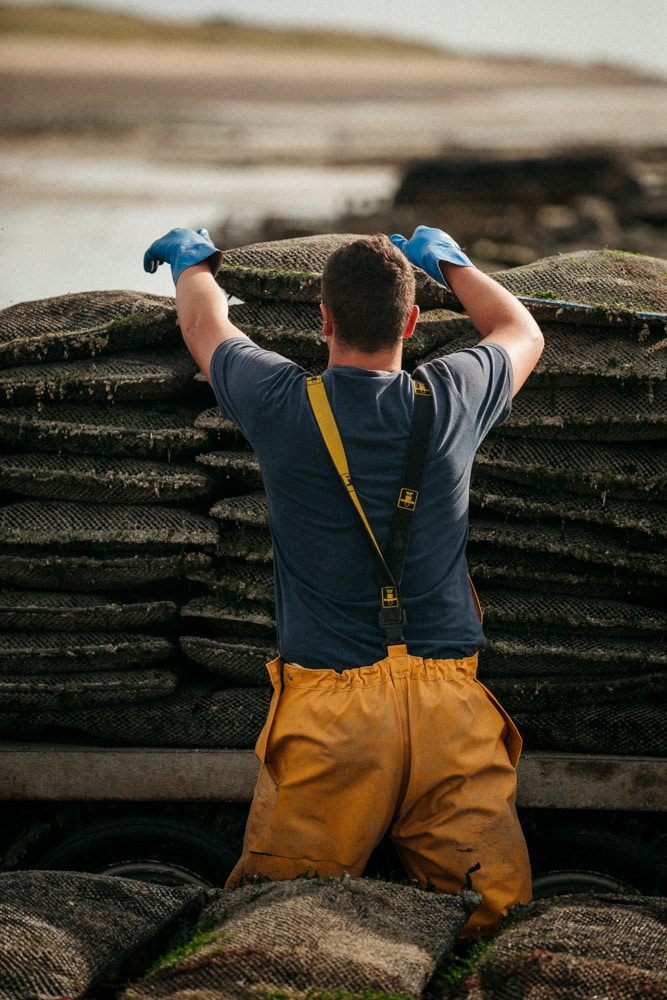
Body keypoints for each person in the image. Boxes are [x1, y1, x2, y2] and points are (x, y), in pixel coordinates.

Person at [144, 224, 544, 936]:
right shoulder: (454, 392)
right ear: (412, 321)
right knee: (492, 927)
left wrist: (193, 263)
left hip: (332, 717)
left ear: (322, 321)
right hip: (450, 712)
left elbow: (206, 325)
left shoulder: (278, 400)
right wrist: (450, 262)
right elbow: (518, 328)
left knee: (279, 928)